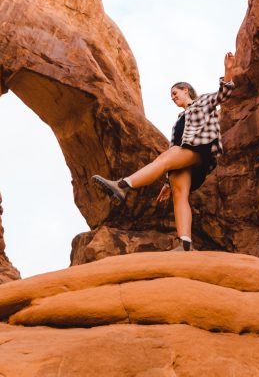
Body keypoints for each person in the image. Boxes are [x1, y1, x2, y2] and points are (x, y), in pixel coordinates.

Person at [92, 52, 236, 251]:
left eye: (175, 93)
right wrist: (168, 181)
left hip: (198, 150)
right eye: (171, 96)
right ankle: (185, 243)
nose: (173, 97)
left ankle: (123, 185)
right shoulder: (179, 119)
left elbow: (224, 94)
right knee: (179, 194)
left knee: (162, 160)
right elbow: (173, 149)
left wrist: (228, 70)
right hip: (184, 157)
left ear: (186, 90)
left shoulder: (201, 102)